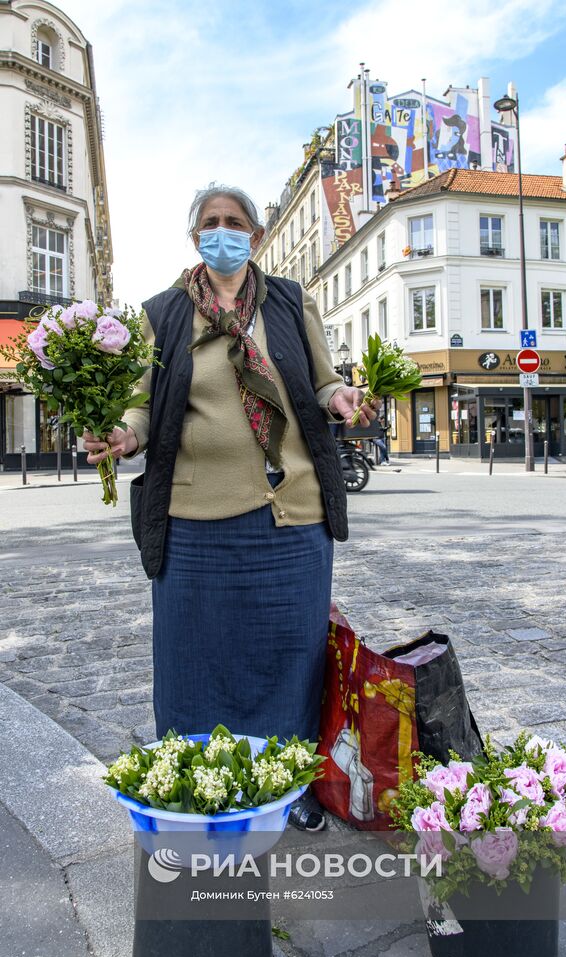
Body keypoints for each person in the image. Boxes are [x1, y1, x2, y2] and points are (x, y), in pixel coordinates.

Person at [83, 184, 378, 832]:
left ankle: (290, 784)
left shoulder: (289, 302)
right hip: (195, 523)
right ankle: (200, 783)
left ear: (257, 235)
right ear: (195, 239)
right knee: (195, 661)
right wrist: (124, 436)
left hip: (292, 514)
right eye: (211, 223)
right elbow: (140, 402)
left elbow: (323, 376)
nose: (224, 232)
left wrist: (339, 399)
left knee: (290, 658)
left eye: (236, 222)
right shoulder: (161, 313)